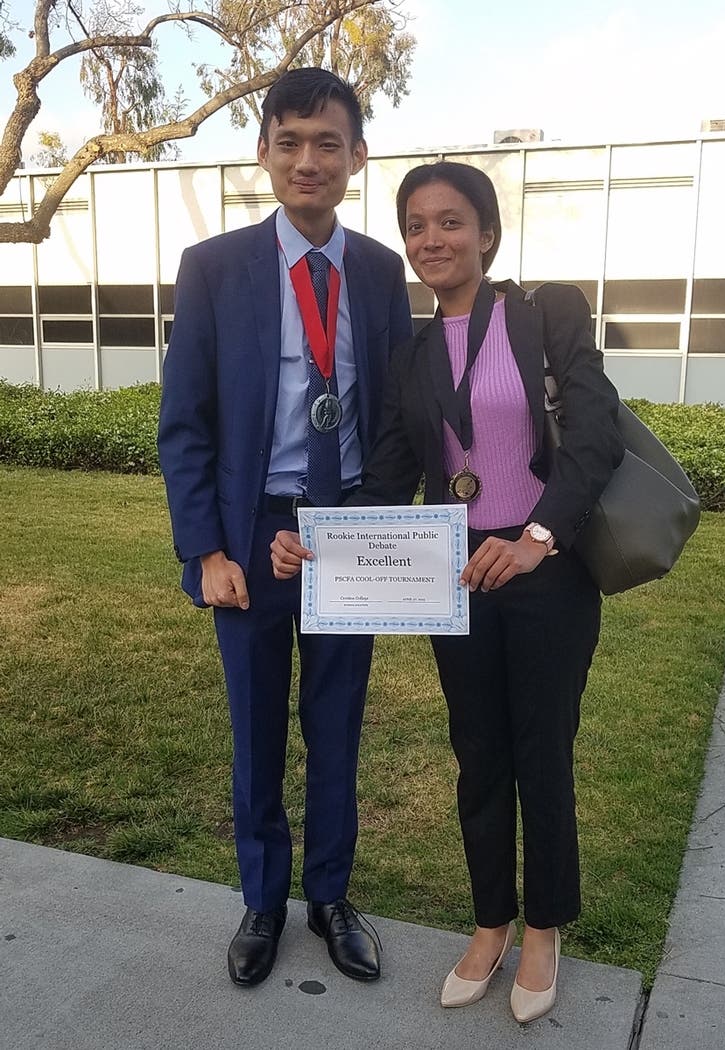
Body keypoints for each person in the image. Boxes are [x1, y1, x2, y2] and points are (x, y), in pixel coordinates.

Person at [271, 161, 624, 1022]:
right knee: (478, 754)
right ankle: (491, 922)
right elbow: (391, 472)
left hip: (545, 571)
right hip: (449, 572)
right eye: (418, 226)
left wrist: (539, 537)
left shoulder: (549, 313)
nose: (434, 239)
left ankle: (542, 930)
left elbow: (596, 432)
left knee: (542, 751)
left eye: (452, 222)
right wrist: (320, 537)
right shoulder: (413, 355)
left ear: (487, 234)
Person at [157, 67, 412, 989]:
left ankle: (333, 898)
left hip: (344, 526)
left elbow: (396, 420)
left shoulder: (381, 273)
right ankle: (263, 900)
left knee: (336, 720)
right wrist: (208, 548)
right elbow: (184, 422)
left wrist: (365, 526)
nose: (310, 161)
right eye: (291, 141)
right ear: (263, 150)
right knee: (257, 724)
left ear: (357, 157)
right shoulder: (215, 268)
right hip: (250, 529)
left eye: (329, 143)